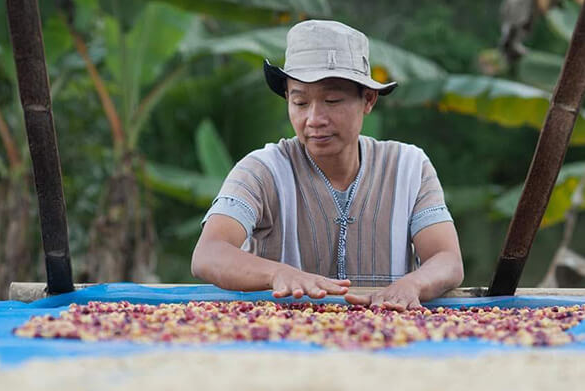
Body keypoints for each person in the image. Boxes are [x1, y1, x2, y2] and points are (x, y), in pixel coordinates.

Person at [191, 20, 463, 310]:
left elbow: (447, 258)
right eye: (300, 103)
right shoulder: (262, 170)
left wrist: (413, 284)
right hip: (283, 343)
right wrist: (278, 274)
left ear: (368, 99)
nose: (314, 119)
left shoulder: (409, 167)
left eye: (332, 100)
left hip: (387, 342)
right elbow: (209, 253)